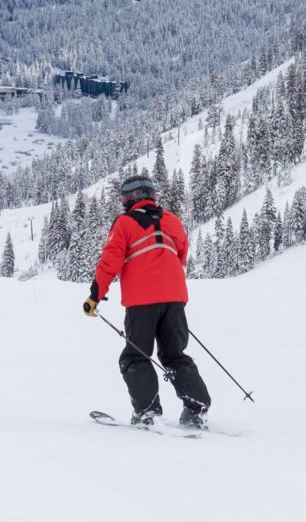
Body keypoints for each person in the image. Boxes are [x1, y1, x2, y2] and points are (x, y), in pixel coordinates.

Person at [82, 173, 211, 428]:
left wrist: (95, 296)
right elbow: (181, 254)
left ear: (130, 198)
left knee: (136, 356)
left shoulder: (125, 223)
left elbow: (110, 262)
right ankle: (196, 410)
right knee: (175, 354)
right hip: (175, 298)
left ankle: (147, 413)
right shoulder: (171, 220)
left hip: (142, 300)